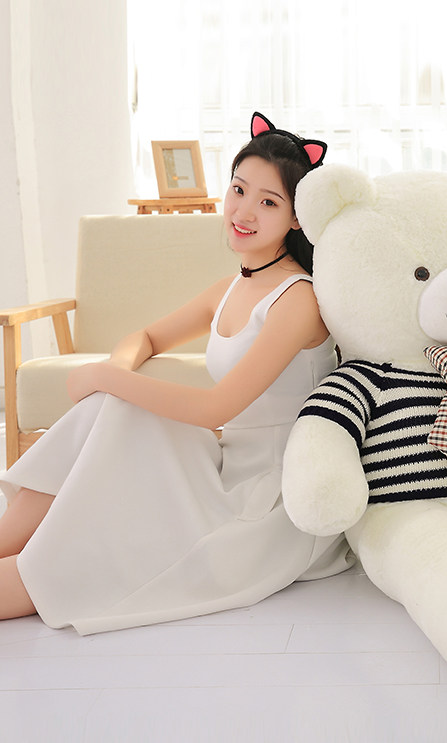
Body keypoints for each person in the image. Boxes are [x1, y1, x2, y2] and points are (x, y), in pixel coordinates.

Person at [0, 113, 353, 633]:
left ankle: (31, 569)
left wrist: (107, 380)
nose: (244, 211)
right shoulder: (231, 287)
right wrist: (112, 374)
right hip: (224, 465)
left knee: (76, 557)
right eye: (239, 190)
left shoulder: (297, 299)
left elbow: (216, 408)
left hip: (269, 496)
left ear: (297, 219)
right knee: (107, 411)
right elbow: (144, 338)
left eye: (268, 202)